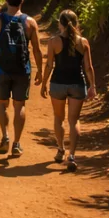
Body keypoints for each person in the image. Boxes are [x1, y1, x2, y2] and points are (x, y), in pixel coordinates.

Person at [0, 0, 43, 157]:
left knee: (2, 104)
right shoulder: (30, 23)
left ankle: (5, 137)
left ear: (6, 0)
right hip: (22, 70)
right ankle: (16, 144)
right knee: (19, 106)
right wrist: (40, 71)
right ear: (22, 0)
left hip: (1, 69)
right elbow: (37, 50)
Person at [40, 10, 96, 171]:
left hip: (58, 84)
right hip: (77, 84)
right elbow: (88, 67)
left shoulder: (53, 42)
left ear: (60, 23)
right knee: (74, 121)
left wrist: (44, 84)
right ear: (76, 23)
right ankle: (72, 155)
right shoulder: (83, 42)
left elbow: (50, 65)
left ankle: (60, 150)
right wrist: (93, 85)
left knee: (59, 118)